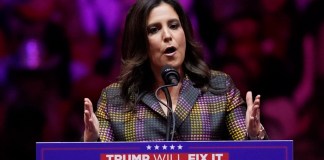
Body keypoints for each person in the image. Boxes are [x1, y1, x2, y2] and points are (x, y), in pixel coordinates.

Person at [83, 0, 268, 142]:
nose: (167, 36)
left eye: (174, 26)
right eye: (154, 29)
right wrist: (91, 144)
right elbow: (101, 155)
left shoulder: (218, 88)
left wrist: (255, 135)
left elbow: (251, 153)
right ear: (140, 43)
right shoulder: (115, 99)